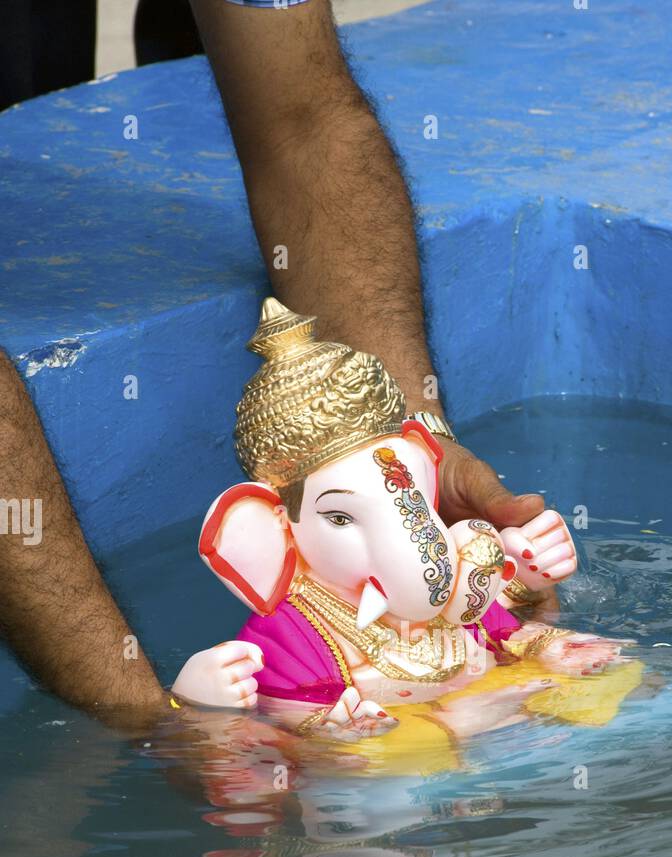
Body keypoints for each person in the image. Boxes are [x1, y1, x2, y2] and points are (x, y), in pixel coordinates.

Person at [0, 0, 547, 716]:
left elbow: (307, 120)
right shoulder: (286, 643)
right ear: (264, 541)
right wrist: (157, 722)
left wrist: (427, 451)